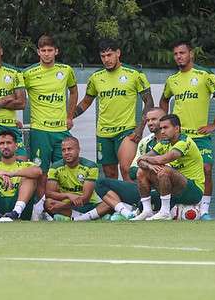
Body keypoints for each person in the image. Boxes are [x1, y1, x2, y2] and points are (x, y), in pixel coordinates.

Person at [159, 41, 215, 219]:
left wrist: (214, 124)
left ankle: (204, 210)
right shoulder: (172, 80)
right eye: (175, 54)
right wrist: (165, 126)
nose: (179, 57)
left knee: (206, 169)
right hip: (179, 137)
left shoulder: (204, 74)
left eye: (182, 53)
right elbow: (164, 100)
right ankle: (171, 209)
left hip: (199, 136)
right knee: (176, 173)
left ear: (191, 54)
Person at [74, 39, 154, 179]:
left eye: (110, 55)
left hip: (126, 131)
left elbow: (149, 102)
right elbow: (86, 102)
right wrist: (69, 116)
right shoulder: (95, 77)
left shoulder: (134, 74)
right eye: (103, 56)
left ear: (118, 53)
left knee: (126, 169)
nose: (106, 59)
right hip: (103, 133)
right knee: (110, 174)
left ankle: (133, 201)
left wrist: (140, 129)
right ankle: (118, 202)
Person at [23, 35, 78, 220]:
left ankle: (58, 209)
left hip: (60, 131)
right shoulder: (28, 73)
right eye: (43, 51)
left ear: (56, 51)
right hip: (40, 130)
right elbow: (19, 97)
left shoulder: (66, 70)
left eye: (50, 50)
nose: (47, 54)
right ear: (38, 52)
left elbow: (74, 90)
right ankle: (41, 209)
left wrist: (70, 116)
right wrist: (15, 118)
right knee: (41, 172)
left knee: (61, 171)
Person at [95, 107, 166, 221]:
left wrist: (147, 166)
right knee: (100, 183)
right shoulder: (145, 142)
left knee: (164, 176)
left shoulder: (176, 141)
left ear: (164, 120)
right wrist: (148, 167)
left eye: (154, 119)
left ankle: (146, 209)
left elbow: (176, 170)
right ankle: (128, 213)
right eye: (148, 120)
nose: (150, 123)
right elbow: (132, 170)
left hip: (166, 191)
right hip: (145, 190)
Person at [132, 114, 205, 221]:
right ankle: (147, 211)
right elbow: (140, 161)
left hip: (193, 190)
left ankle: (165, 212)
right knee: (141, 171)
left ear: (176, 129)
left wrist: (146, 159)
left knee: (164, 170)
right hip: (175, 189)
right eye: (161, 128)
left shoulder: (184, 142)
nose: (162, 131)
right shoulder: (164, 143)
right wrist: (149, 165)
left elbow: (162, 160)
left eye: (166, 128)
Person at [0, 131, 42, 222]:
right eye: (2, 143)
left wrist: (13, 174)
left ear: (16, 146)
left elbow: (38, 171)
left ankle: (16, 212)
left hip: (21, 210)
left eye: (9, 143)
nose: (5, 146)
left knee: (30, 177)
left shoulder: (25, 164)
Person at [44, 137, 101, 221]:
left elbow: (86, 198)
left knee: (108, 204)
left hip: (88, 204)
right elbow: (49, 193)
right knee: (48, 202)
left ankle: (75, 218)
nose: (66, 153)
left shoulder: (91, 166)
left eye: (69, 149)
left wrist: (61, 206)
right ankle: (86, 217)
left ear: (78, 150)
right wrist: (68, 195)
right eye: (63, 150)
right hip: (67, 204)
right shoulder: (55, 167)